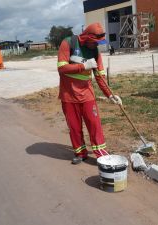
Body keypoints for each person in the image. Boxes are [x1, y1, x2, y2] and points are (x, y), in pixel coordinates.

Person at [57, 22, 122, 165]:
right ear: (86, 37)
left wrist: (110, 95)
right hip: (68, 96)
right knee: (74, 127)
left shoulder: (95, 51)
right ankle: (80, 153)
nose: (96, 45)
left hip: (87, 95)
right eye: (95, 42)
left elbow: (100, 76)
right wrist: (83, 66)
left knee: (94, 124)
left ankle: (101, 154)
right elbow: (61, 68)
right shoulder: (68, 43)